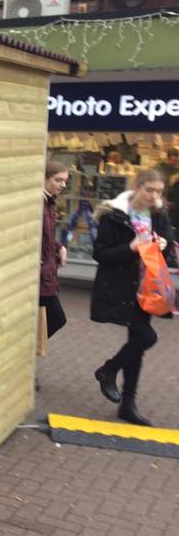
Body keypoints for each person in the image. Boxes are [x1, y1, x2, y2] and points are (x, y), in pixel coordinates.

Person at [91, 169, 174, 426]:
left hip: (148, 288)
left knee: (137, 343)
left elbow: (168, 247)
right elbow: (100, 253)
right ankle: (109, 370)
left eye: (158, 191)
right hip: (122, 288)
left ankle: (127, 403)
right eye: (149, 190)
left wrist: (163, 245)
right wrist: (130, 247)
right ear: (137, 186)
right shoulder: (114, 214)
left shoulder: (158, 214)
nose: (154, 196)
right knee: (146, 338)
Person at [39, 161, 69, 343]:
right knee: (56, 318)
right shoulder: (39, 204)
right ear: (44, 179)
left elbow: (47, 237)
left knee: (43, 321)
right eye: (58, 180)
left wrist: (60, 247)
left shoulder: (50, 203)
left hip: (48, 274)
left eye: (65, 181)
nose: (63, 185)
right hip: (41, 275)